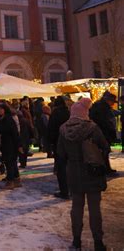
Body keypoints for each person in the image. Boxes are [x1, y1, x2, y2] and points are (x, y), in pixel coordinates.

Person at [58, 98, 109, 251]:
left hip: (74, 172)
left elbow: (60, 153)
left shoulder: (63, 130)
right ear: (85, 113)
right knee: (95, 209)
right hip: (92, 172)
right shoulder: (93, 128)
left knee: (76, 207)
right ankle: (98, 242)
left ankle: (76, 241)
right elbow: (105, 146)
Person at [89, 91, 118, 175]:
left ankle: (106, 168)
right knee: (104, 151)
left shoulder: (100, 105)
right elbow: (104, 122)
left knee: (104, 151)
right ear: (108, 100)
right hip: (103, 133)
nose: (112, 104)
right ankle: (104, 169)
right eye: (112, 102)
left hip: (102, 132)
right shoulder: (102, 107)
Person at [48, 96, 71, 199]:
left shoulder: (55, 113)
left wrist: (51, 143)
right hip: (70, 143)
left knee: (61, 167)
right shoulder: (69, 112)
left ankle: (64, 191)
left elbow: (51, 129)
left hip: (59, 143)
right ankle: (71, 189)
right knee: (70, 166)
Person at [0, 103, 22, 189]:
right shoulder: (3, 119)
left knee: (9, 163)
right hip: (7, 144)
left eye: (1, 109)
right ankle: (17, 180)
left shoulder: (8, 119)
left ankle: (10, 182)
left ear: (5, 110)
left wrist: (18, 145)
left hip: (9, 144)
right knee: (13, 163)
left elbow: (14, 133)